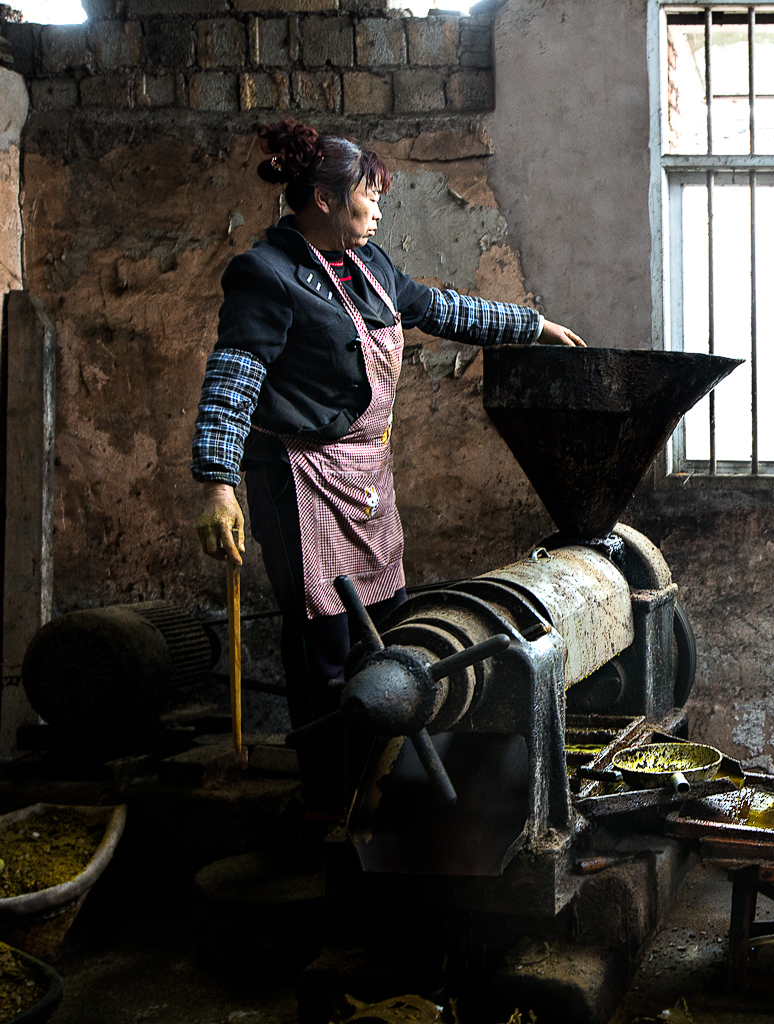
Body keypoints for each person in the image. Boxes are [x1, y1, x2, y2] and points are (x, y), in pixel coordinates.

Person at [190, 119, 586, 815]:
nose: (377, 211)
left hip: (367, 481)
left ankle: (387, 788)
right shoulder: (267, 274)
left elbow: (443, 308)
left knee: (391, 629)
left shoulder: (368, 267)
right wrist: (219, 486)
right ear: (321, 198)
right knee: (327, 644)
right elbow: (232, 379)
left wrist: (532, 325)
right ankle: (332, 802)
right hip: (301, 482)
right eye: (368, 198)